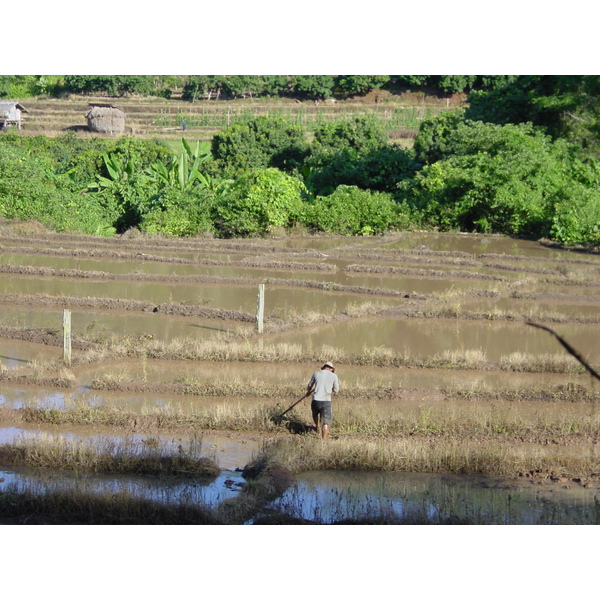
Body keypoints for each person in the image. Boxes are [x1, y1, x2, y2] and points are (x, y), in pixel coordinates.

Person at [306, 361, 339, 439]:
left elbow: (309, 385)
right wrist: (330, 388)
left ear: (324, 367)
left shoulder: (316, 373)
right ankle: (323, 441)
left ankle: (317, 426)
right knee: (325, 423)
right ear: (331, 369)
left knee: (315, 414)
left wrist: (308, 392)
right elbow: (336, 390)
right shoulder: (334, 376)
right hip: (326, 401)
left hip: (316, 400)